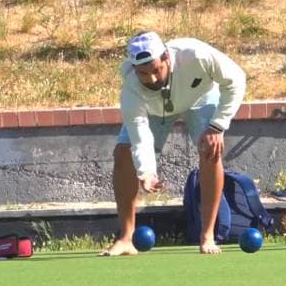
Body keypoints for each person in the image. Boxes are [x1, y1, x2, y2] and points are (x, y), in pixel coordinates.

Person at [101, 31, 246, 255]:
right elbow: (140, 134)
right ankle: (126, 238)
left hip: (201, 97)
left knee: (211, 149)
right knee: (123, 152)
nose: (151, 79)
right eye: (143, 73)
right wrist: (147, 171)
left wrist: (217, 126)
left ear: (167, 58)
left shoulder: (196, 54)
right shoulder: (131, 88)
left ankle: (207, 236)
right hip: (156, 110)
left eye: (156, 70)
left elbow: (236, 79)